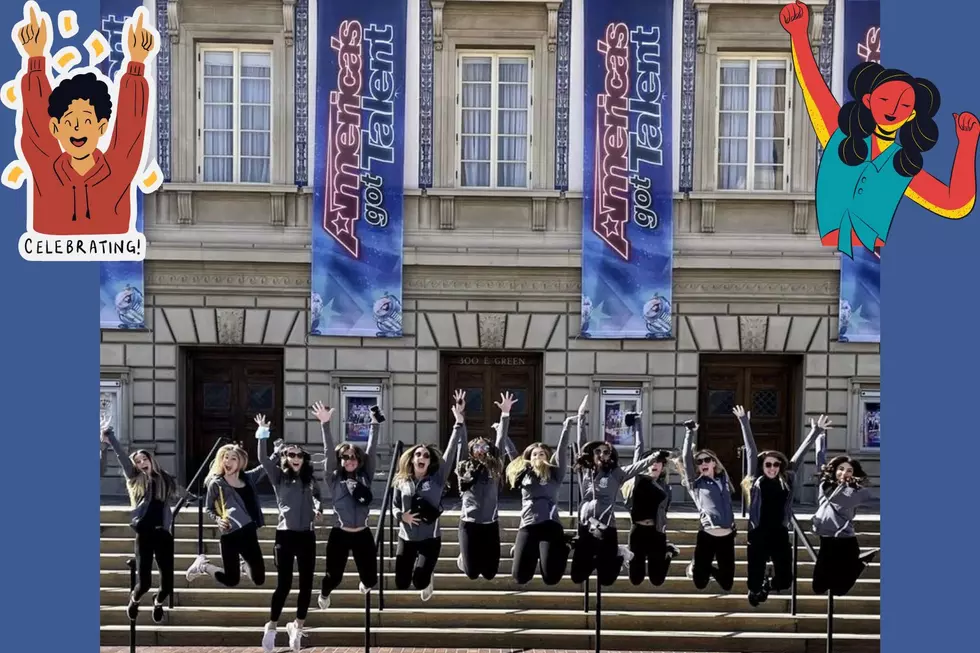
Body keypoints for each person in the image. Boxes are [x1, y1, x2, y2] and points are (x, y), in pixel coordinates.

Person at [780, 1, 979, 259]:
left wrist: (967, 143)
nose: (894, 107)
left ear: (912, 115)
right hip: (835, 253)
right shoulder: (841, 133)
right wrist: (798, 34)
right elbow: (813, 87)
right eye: (885, 99)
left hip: (871, 263)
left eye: (904, 104)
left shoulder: (902, 163)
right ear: (868, 100)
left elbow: (955, 203)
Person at [16, 7, 154, 235]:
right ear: (55, 127)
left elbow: (130, 132)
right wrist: (35, 60)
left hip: (114, 267)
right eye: (70, 122)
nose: (78, 128)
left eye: (87, 121)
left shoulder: (116, 171)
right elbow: (36, 129)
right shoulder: (46, 171)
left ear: (102, 126)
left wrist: (136, 66)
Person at [735, 406, 829, 606]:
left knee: (786, 580)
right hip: (758, 532)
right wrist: (744, 421)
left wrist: (816, 432)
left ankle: (769, 585)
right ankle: (756, 588)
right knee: (753, 583)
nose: (772, 468)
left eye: (776, 465)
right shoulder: (755, 480)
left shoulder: (787, 477)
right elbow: (751, 451)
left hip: (779, 532)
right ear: (763, 466)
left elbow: (800, 456)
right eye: (768, 465)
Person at [251, 415, 323, 653]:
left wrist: (318, 508)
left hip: (306, 535)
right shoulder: (279, 477)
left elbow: (316, 497)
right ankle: (271, 626)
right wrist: (262, 432)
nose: (295, 458)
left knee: (306, 585)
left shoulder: (310, 480)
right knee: (284, 585)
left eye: (299, 455)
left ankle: (297, 626)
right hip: (285, 535)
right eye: (290, 455)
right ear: (285, 458)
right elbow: (262, 457)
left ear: (304, 460)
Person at [570, 410, 661, 586]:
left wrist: (654, 458)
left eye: (606, 452)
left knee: (607, 579)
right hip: (586, 527)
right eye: (598, 451)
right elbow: (582, 444)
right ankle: (595, 559)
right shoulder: (585, 471)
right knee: (577, 577)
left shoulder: (616, 474)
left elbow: (637, 466)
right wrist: (581, 418)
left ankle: (619, 554)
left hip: (606, 528)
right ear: (592, 453)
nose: (602, 455)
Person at [101, 425, 181, 623]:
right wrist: (109, 437)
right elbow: (121, 456)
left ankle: (158, 602)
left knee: (167, 585)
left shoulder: (165, 479)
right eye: (138, 461)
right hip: (144, 534)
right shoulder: (135, 478)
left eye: (145, 459)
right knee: (143, 583)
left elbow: (180, 491)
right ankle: (134, 599)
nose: (142, 463)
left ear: (151, 460)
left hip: (163, 534)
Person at [505, 395, 583, 585]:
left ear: (547, 456)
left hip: (550, 525)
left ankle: (565, 545)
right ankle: (523, 551)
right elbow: (511, 451)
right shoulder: (522, 471)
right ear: (529, 457)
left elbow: (563, 448)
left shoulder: (554, 473)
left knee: (551, 578)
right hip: (528, 525)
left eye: (542, 453)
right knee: (520, 577)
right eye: (534, 454)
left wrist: (567, 426)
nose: (538, 456)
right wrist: (503, 428)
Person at [391, 399, 463, 600]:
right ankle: (419, 571)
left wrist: (458, 423)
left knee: (420, 581)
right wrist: (400, 516)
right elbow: (395, 504)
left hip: (430, 539)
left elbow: (449, 455)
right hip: (406, 537)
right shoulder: (402, 480)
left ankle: (427, 575)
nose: (421, 457)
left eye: (426, 456)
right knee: (402, 583)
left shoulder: (437, 479)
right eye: (418, 455)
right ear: (413, 460)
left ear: (429, 461)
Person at [312, 401, 380, 609]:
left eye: (354, 458)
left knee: (371, 580)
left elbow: (372, 448)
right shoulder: (334, 478)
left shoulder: (365, 476)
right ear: (340, 459)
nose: (350, 460)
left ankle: (364, 583)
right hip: (340, 533)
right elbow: (328, 453)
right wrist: (325, 425)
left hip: (363, 533)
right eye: (346, 457)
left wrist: (375, 425)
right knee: (334, 577)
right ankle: (324, 593)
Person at [454, 390, 519, 580]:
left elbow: (501, 438)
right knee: (472, 573)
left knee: (490, 573)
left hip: (490, 525)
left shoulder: (495, 466)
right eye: (477, 447)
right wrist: (460, 418)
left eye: (484, 446)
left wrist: (505, 413)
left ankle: (470, 558)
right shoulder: (464, 465)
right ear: (472, 451)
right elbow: (460, 442)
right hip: (469, 524)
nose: (481, 449)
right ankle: (464, 559)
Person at [184, 443, 267, 588]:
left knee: (259, 579)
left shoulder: (248, 479)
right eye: (225, 458)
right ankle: (203, 566)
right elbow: (209, 508)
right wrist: (218, 519)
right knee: (231, 580)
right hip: (230, 535)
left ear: (240, 462)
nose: (227, 462)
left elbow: (265, 465)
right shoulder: (217, 483)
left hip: (249, 533)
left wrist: (270, 443)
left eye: (233, 458)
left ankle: (243, 565)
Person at [811, 431, 878, 596]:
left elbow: (876, 500)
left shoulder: (857, 492)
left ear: (854, 474)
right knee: (818, 588)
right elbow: (820, 460)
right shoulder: (824, 485)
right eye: (841, 469)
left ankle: (861, 561)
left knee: (839, 590)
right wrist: (820, 435)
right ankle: (860, 561)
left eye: (849, 471)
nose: (844, 473)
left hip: (846, 542)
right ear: (834, 470)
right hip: (826, 542)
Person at [619, 418, 679, 587]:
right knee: (635, 579)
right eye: (652, 462)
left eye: (658, 463)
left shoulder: (665, 487)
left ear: (662, 467)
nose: (655, 465)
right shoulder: (637, 480)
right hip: (637, 531)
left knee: (657, 580)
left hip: (657, 532)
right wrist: (638, 424)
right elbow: (639, 450)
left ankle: (668, 553)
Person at [678, 419, 736, 592]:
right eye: (700, 462)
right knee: (700, 583)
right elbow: (687, 458)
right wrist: (690, 433)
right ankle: (698, 565)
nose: (703, 463)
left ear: (714, 462)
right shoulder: (695, 484)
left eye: (707, 460)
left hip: (727, 536)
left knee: (727, 583)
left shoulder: (724, 480)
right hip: (707, 536)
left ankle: (701, 565)